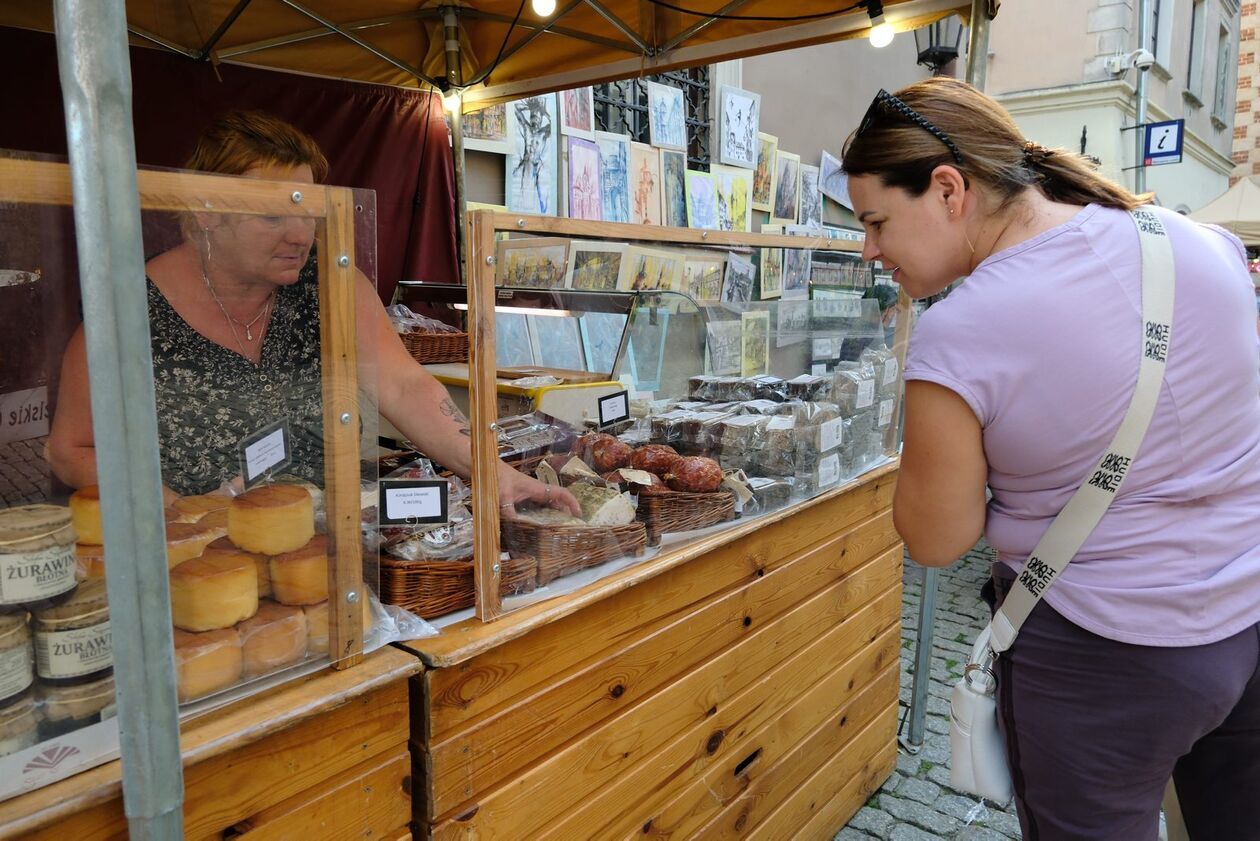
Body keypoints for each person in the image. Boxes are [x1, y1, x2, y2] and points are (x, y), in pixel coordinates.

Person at [843, 77, 1260, 840]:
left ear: (947, 189)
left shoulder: (961, 332)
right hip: (1245, 618)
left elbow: (935, 538)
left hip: (1100, 657)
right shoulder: (1206, 246)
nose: (870, 249)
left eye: (876, 220)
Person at [47, 111, 578, 520]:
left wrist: (492, 473)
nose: (300, 235)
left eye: (307, 211)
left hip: (330, 551)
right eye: (274, 213)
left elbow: (404, 386)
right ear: (207, 210)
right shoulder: (130, 313)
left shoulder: (330, 283)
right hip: (195, 564)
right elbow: (72, 450)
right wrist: (176, 512)